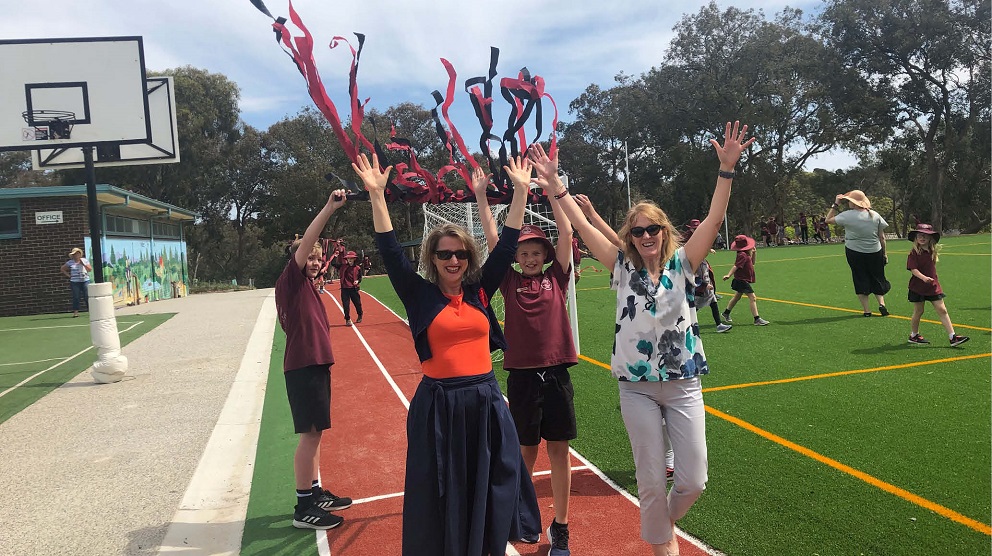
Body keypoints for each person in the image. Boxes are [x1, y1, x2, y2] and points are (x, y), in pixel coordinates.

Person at [529, 121, 755, 556]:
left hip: (684, 384)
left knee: (693, 480)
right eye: (638, 231)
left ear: (664, 231)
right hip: (636, 388)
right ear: (629, 237)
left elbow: (714, 219)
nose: (646, 236)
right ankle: (661, 543)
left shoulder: (685, 263)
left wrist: (726, 170)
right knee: (650, 480)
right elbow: (581, 226)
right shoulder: (620, 266)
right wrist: (556, 186)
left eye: (653, 229)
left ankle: (659, 523)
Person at [355, 153, 541, 555]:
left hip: (486, 401)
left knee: (494, 482)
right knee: (443, 492)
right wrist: (377, 196)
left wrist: (521, 191)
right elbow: (390, 251)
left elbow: (507, 245)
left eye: (460, 254)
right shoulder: (419, 295)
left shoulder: (479, 290)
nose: (453, 260)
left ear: (469, 257)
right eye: (444, 254)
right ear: (433, 259)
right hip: (439, 405)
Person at [472, 162, 577, 555]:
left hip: (557, 374)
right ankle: (519, 514)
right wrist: (481, 198)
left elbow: (567, 232)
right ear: (515, 257)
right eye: (524, 253)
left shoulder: (557, 277)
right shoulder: (509, 279)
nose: (530, 258)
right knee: (525, 453)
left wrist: (553, 191)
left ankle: (561, 525)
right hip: (521, 377)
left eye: (536, 252)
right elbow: (494, 238)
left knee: (559, 450)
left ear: (545, 255)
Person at [274, 188, 353, 531]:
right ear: (297, 259)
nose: (315, 262)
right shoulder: (291, 281)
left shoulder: (306, 285)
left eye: (318, 259)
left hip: (313, 366)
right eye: (310, 258)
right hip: (303, 368)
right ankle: (303, 506)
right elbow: (308, 240)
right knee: (309, 436)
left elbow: (317, 252)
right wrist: (329, 209)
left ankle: (315, 492)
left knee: (315, 434)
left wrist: (326, 254)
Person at [825, 190, 891, 317]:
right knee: (877, 278)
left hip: (854, 252)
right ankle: (882, 304)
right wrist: (884, 253)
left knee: (860, 278)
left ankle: (867, 311)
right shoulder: (874, 215)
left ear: (853, 203)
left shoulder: (847, 215)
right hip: (874, 251)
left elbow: (828, 220)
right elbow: (882, 237)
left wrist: (836, 204)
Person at [905, 224, 970, 347]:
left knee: (942, 310)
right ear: (916, 238)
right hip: (918, 287)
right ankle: (914, 335)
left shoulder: (932, 251)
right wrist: (924, 278)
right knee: (919, 311)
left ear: (930, 238)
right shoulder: (914, 253)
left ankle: (952, 337)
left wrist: (931, 279)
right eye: (920, 235)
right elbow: (913, 269)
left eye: (925, 236)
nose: (922, 238)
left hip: (933, 286)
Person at [685, 220, 731, 333]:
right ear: (690, 228)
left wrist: (708, 249)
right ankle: (685, 324)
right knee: (695, 306)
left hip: (704, 284)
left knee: (712, 302)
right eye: (694, 228)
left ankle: (719, 325)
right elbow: (693, 274)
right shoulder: (691, 247)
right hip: (699, 286)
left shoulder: (702, 258)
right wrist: (705, 284)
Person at [721, 235, 770, 326]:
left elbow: (753, 263)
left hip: (742, 279)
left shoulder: (746, 254)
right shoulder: (742, 255)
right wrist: (728, 275)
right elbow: (736, 266)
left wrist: (754, 253)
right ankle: (757, 319)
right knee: (753, 297)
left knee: (737, 297)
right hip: (741, 280)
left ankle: (726, 313)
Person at [330, 250, 364, 325]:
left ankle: (360, 314)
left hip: (354, 289)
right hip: (345, 289)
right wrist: (335, 256)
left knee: (357, 304)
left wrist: (357, 281)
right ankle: (347, 319)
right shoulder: (343, 266)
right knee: (346, 305)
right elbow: (333, 263)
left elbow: (360, 278)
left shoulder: (357, 268)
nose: (349, 260)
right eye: (348, 258)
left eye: (351, 258)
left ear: (354, 259)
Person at [61, 247, 92, 317]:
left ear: (80, 254)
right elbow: (62, 269)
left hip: (85, 280)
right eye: (75, 254)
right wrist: (69, 276)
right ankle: (76, 312)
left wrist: (83, 264)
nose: (76, 255)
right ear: (73, 255)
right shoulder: (70, 262)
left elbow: (90, 269)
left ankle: (91, 311)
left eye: (78, 254)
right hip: (75, 282)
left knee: (87, 296)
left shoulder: (84, 260)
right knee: (76, 296)